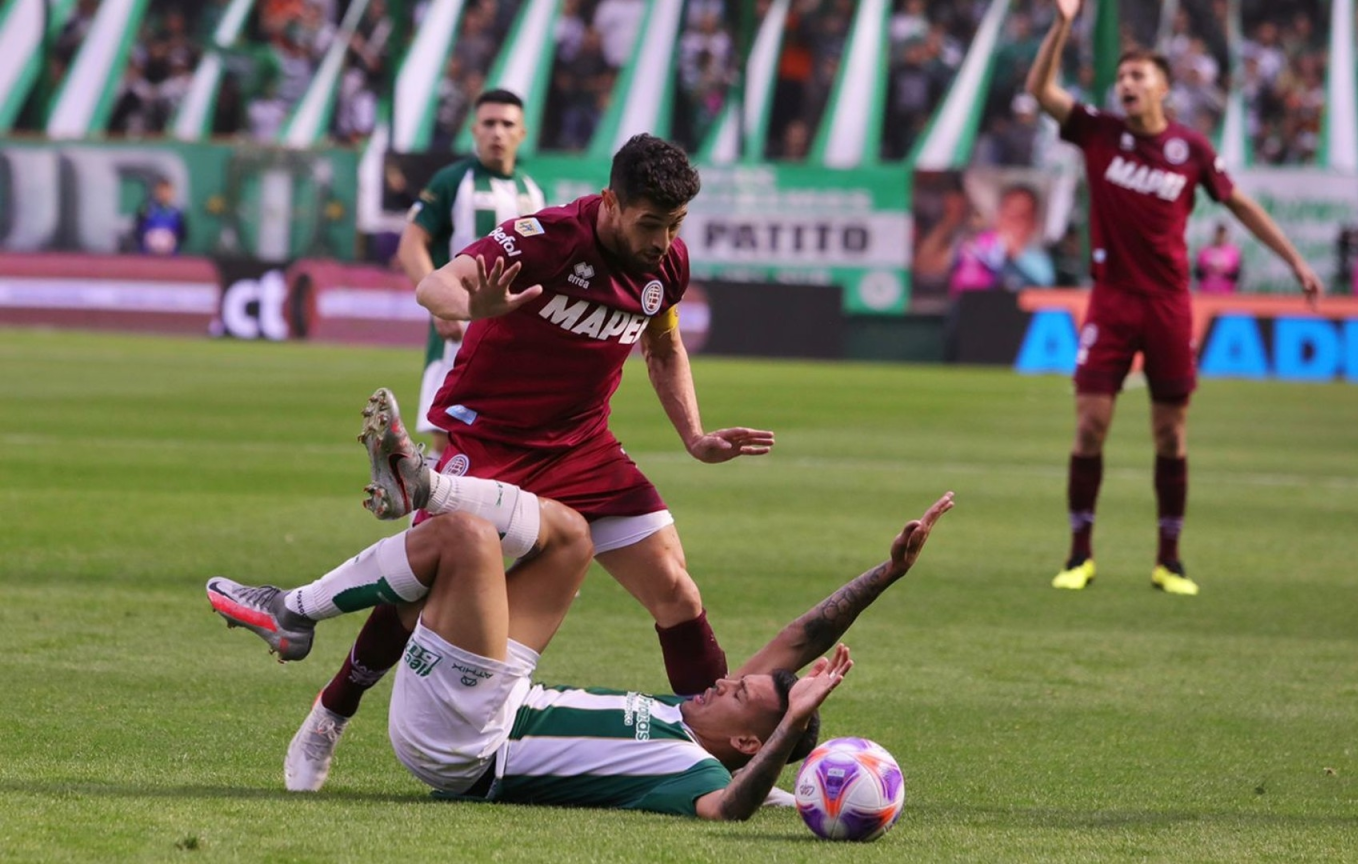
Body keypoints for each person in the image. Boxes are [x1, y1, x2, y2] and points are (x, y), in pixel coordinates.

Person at [291, 134, 774, 792]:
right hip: (489, 437)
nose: (664, 240)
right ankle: (331, 712)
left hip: (581, 446)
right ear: (610, 202)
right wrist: (473, 305)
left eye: (676, 224)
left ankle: (730, 768)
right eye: (652, 223)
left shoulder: (666, 266)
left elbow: (662, 349)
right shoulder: (544, 239)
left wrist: (692, 436)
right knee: (425, 592)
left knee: (676, 591)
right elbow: (436, 286)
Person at [207, 402, 954, 818]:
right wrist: (886, 573)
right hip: (501, 695)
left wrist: (791, 727)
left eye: (744, 695)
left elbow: (731, 811)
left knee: (467, 540)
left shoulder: (697, 772)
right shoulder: (706, 714)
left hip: (466, 745)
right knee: (570, 533)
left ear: (748, 742)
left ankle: (300, 606)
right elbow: (804, 635)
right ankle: (422, 493)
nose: (730, 679)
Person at [1026, 0, 1322, 596]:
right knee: (1089, 427)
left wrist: (1293, 260)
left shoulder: (1192, 150)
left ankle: (1169, 559)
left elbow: (1238, 204)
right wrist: (1062, 25)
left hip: (1168, 304)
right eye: (1122, 77)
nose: (1126, 84)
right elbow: (1040, 89)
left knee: (1171, 434)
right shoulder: (1097, 131)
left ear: (1163, 87)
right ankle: (1080, 554)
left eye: (1138, 76)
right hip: (1110, 301)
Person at [397, 89, 546, 462]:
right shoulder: (452, 181)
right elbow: (411, 244)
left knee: (506, 441)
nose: (498, 132)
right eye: (489, 123)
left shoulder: (533, 192)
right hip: (458, 329)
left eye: (507, 124)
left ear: (522, 133)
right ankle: (428, 516)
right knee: (447, 437)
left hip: (515, 337)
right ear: (473, 130)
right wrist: (440, 306)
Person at [134, 179, 187, 255]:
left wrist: (170, 241)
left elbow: (183, 235)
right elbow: (137, 232)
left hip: (171, 258)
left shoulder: (178, 214)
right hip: (147, 256)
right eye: (161, 191)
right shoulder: (145, 210)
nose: (164, 194)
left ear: (172, 193)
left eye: (167, 191)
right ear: (156, 193)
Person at [1194, 223, 1241, 295]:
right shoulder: (1204, 251)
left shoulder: (1233, 252)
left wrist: (1224, 271)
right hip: (1206, 293)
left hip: (1226, 293)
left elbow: (1237, 276)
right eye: (1218, 235)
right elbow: (1197, 274)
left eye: (1222, 235)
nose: (1220, 238)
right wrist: (1209, 269)